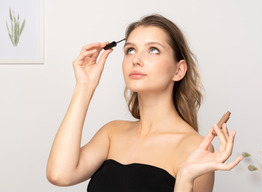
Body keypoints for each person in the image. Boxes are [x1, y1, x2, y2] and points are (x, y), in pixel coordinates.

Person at [46, 14, 243, 192]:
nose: (136, 60)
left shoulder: (195, 148)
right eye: (130, 50)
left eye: (153, 50)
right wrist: (85, 86)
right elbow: (60, 174)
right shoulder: (112, 133)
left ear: (178, 70)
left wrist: (184, 180)